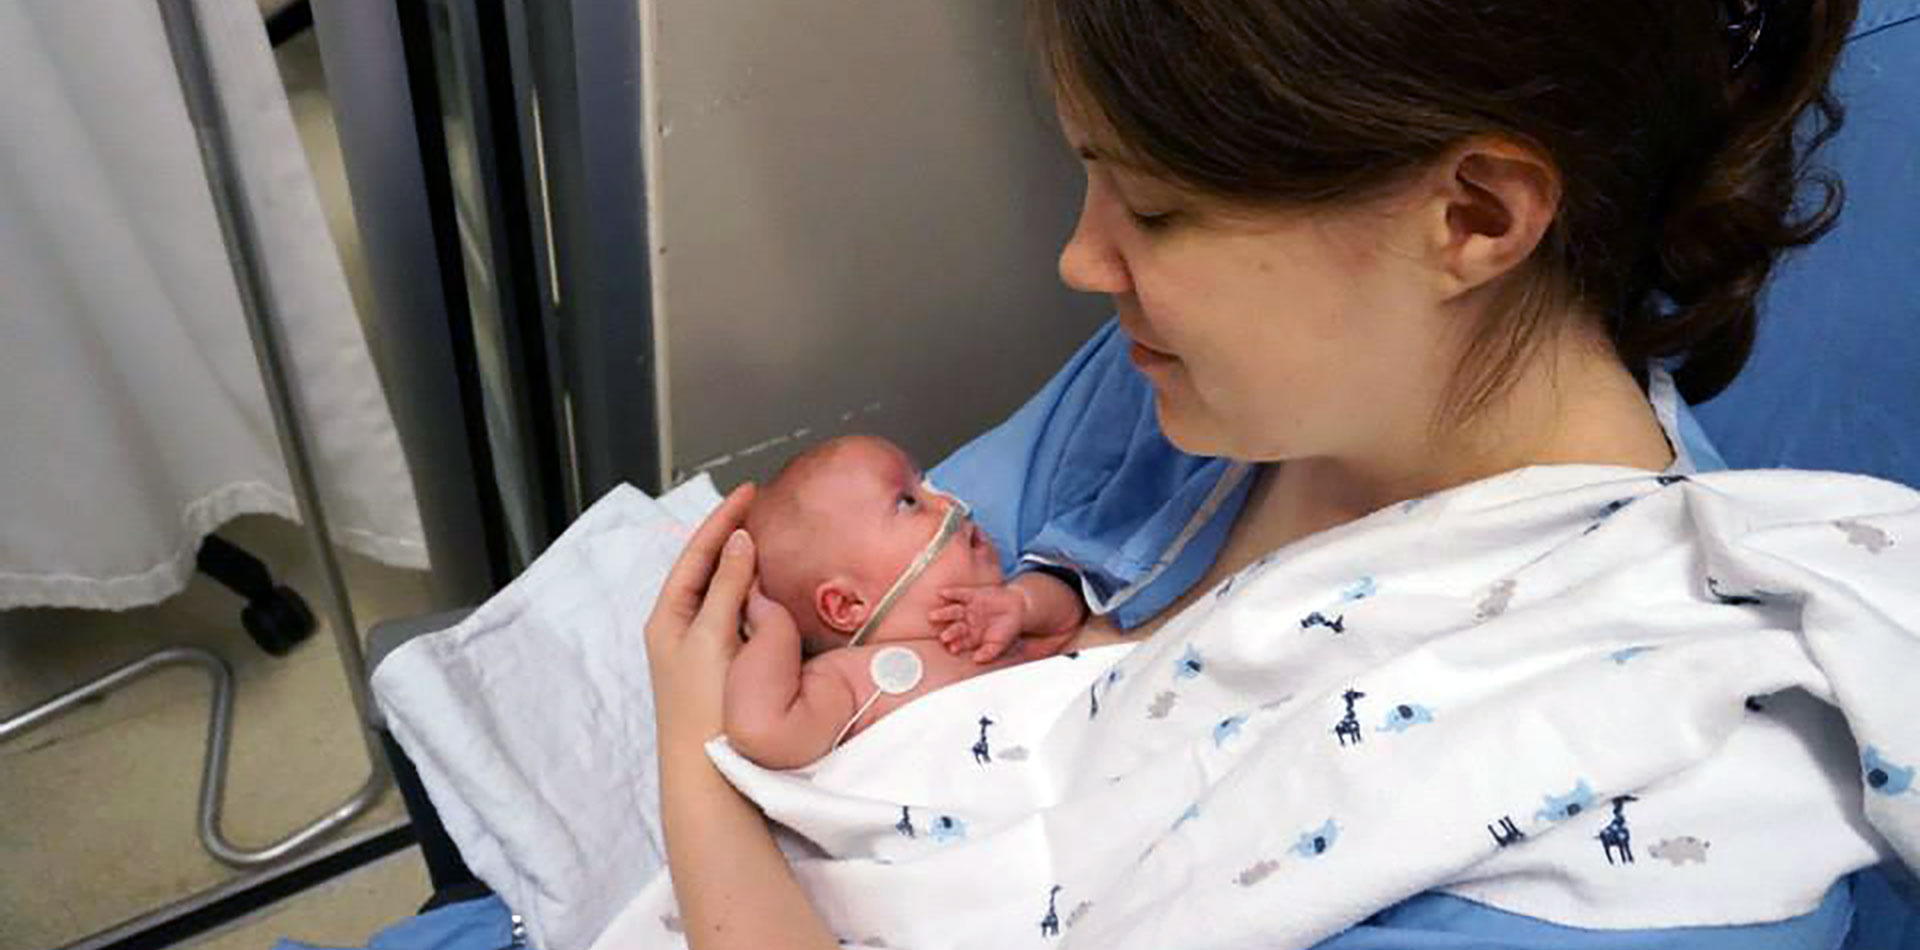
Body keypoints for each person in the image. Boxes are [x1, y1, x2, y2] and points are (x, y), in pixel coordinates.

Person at [644, 0, 1915, 948]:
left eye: (1150, 208)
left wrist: (699, 769)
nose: (1081, 260)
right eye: (1088, 178)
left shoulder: (1635, 790)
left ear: (1472, 214)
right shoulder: (1182, 392)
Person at [724, 435, 1089, 768]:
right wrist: (772, 628)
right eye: (908, 501)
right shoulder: (847, 680)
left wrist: (1022, 603)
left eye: (926, 485)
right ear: (847, 606)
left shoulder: (994, 623)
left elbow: (1068, 621)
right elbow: (760, 731)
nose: (948, 501)